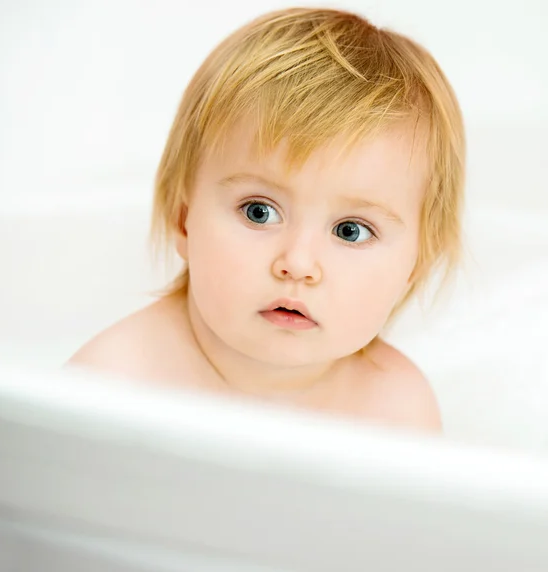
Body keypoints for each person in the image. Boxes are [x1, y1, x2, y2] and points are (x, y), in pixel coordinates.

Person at [68, 7, 465, 434]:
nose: (297, 263)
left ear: (415, 267)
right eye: (259, 212)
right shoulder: (113, 383)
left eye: (350, 231)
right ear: (184, 220)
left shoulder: (396, 413)